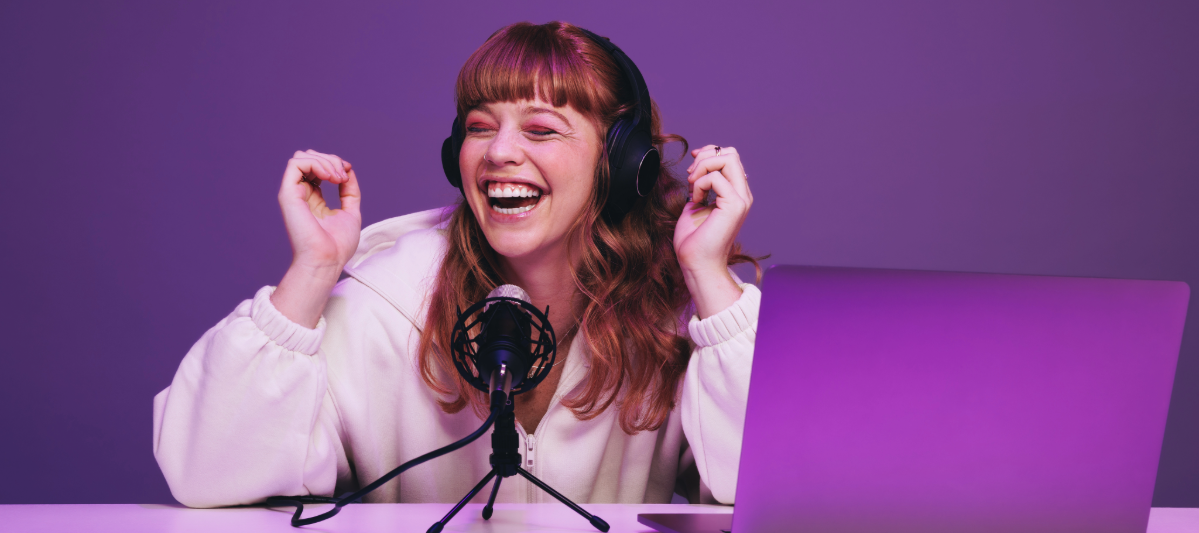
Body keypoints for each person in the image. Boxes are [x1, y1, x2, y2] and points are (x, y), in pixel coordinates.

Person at [152, 21, 759, 509]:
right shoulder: (378, 306)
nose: (498, 152)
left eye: (541, 130)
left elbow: (769, 488)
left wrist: (707, 278)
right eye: (479, 128)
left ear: (623, 163)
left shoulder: (673, 314)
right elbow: (209, 474)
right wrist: (312, 270)